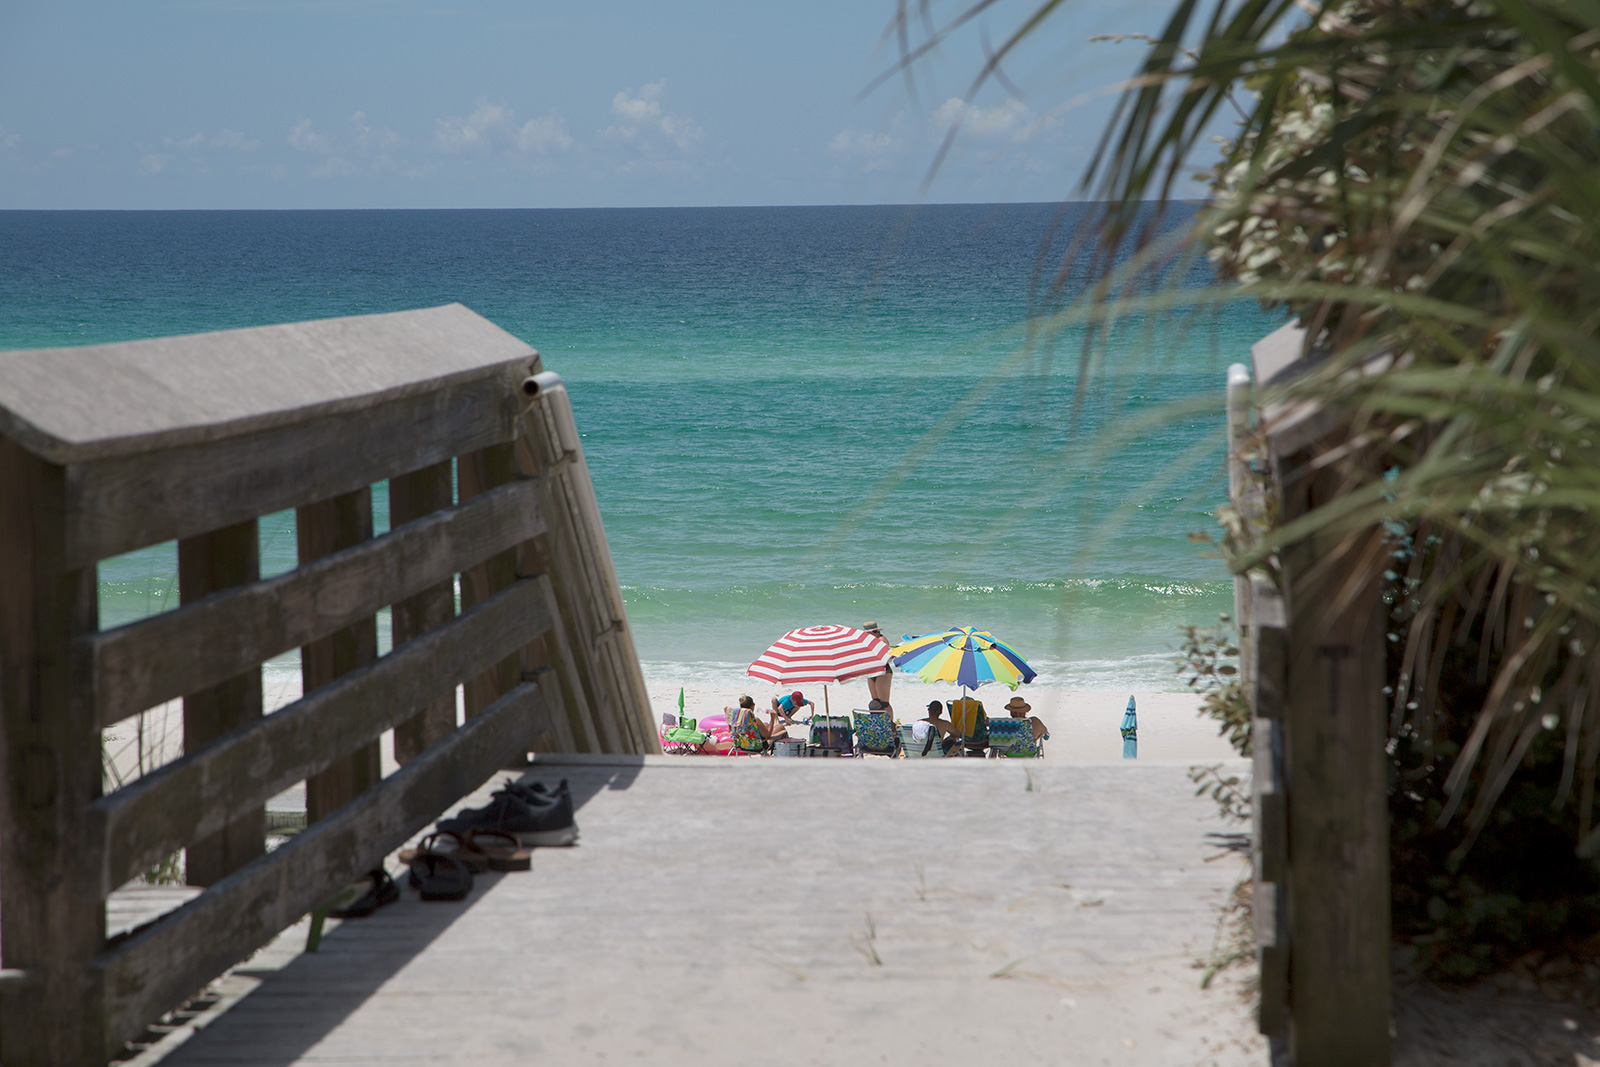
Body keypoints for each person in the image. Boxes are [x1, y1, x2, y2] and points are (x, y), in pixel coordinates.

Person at [862, 621, 893, 705]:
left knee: (884, 702)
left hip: (882, 670)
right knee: (876, 702)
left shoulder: (881, 639)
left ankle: (889, 718)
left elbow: (886, 655)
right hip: (872, 669)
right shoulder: (869, 640)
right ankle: (879, 718)